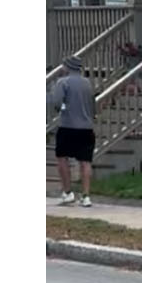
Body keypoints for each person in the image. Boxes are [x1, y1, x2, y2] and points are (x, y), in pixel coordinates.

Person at [49, 55, 96, 207]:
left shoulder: (63, 82)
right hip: (86, 127)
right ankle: (86, 195)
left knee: (62, 158)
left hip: (68, 126)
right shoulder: (87, 83)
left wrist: (64, 107)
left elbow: (57, 103)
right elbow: (92, 104)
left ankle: (68, 192)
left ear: (68, 67)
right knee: (85, 162)